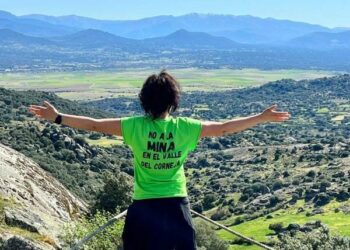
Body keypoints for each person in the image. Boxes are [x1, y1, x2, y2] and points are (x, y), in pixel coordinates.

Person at [29, 70, 290, 250]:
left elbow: (95, 125)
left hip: (143, 207)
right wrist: (260, 117)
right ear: (173, 101)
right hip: (176, 205)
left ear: (144, 100)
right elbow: (223, 128)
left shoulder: (133, 127)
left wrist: (58, 117)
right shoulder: (185, 127)